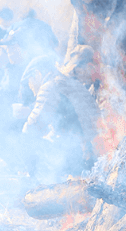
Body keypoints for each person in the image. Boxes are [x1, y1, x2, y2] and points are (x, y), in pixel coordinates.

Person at [20, 54, 99, 182]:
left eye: (29, 82)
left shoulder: (50, 86)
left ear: (37, 74)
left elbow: (34, 126)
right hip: (92, 153)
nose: (30, 86)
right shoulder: (71, 83)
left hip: (77, 155)